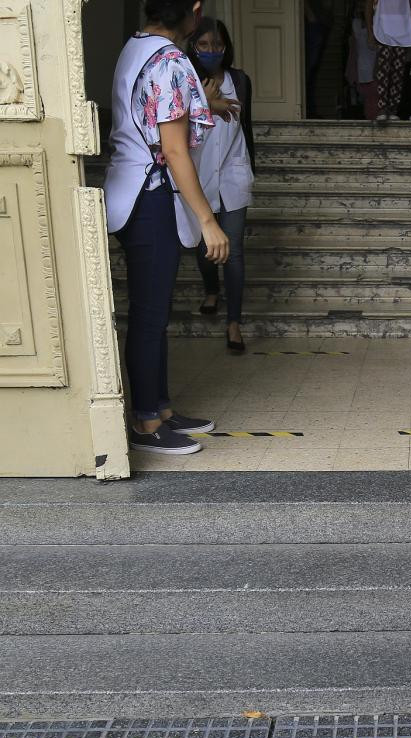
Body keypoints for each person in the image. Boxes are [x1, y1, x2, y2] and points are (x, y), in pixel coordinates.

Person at [103, 0, 233, 455]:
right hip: (150, 195)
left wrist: (207, 104)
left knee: (151, 315)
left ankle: (159, 408)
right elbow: (175, 151)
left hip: (130, 189)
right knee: (149, 316)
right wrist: (208, 220)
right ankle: (145, 424)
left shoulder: (136, 46)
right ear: (194, 10)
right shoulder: (171, 59)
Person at [185, 17, 255, 355]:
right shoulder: (183, 81)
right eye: (204, 45)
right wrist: (203, 102)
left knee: (234, 250)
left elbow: (247, 127)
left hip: (234, 171)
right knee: (204, 247)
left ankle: (234, 323)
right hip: (197, 176)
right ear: (192, 47)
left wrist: (251, 167)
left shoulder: (239, 80)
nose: (212, 51)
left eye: (217, 45)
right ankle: (211, 288)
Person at [365, 0, 411, 121]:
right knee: (383, 69)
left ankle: (393, 109)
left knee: (397, 72)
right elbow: (368, 6)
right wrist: (370, 32)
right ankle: (382, 108)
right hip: (382, 28)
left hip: (402, 31)